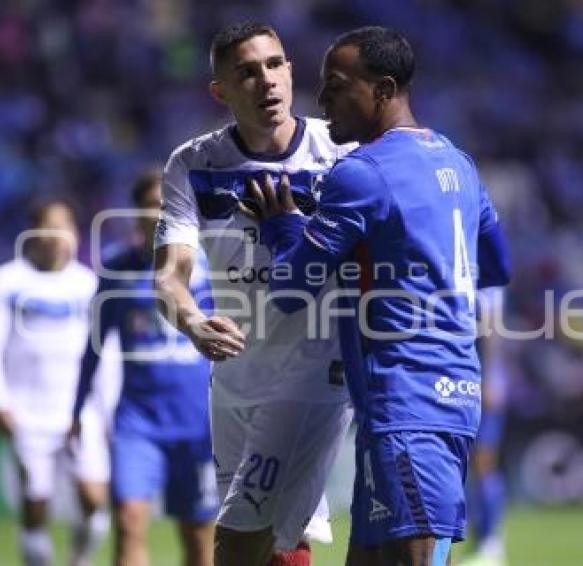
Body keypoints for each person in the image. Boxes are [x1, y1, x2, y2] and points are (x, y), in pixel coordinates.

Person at [245, 27, 511, 566]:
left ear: (384, 89)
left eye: (337, 85)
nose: (322, 98)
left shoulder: (363, 173)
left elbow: (291, 291)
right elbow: (497, 266)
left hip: (405, 402)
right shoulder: (458, 163)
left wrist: (283, 227)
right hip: (445, 395)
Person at [153, 22, 353, 566]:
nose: (266, 80)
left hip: (314, 372)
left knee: (242, 542)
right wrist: (193, 321)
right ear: (220, 91)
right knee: (279, 540)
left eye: (274, 64)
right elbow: (169, 275)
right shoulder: (193, 164)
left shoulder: (341, 153)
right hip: (235, 379)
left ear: (290, 70)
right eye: (247, 72)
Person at [70, 169, 219, 566]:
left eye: (168, 205)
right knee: (129, 519)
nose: (161, 213)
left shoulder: (210, 266)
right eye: (152, 205)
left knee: (199, 535)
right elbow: (92, 348)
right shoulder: (116, 270)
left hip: (199, 422)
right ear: (136, 212)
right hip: (138, 423)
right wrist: (76, 410)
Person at [0, 198, 113, 566]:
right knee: (36, 504)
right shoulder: (7, 281)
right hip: (27, 409)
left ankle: (79, 559)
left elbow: (105, 350)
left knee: (94, 498)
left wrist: (107, 406)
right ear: (32, 233)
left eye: (63, 227)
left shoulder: (88, 284)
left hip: (80, 409)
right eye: (48, 227)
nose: (56, 236)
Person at [460, 288, 509, 566]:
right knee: (467, 465)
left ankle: (491, 541)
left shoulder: (487, 284)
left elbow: (493, 331)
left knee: (483, 462)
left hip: (482, 384)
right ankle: (478, 537)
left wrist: (489, 378)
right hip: (464, 382)